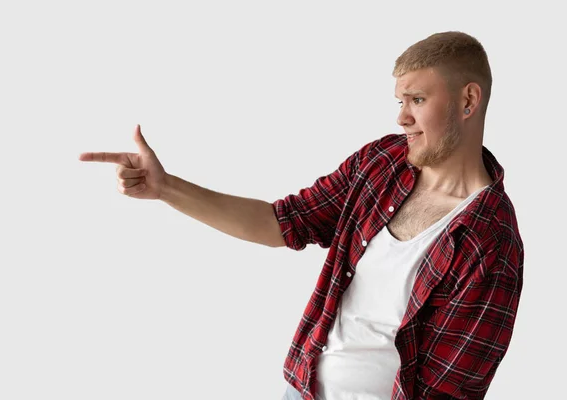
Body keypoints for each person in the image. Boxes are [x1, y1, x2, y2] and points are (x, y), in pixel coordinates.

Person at [79, 31, 524, 400]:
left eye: (418, 99)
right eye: (400, 100)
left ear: (468, 101)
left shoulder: (491, 241)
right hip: (302, 388)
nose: (402, 117)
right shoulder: (380, 163)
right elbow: (282, 222)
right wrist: (166, 188)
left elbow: (447, 392)